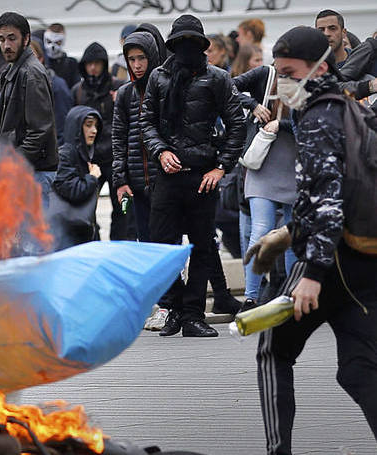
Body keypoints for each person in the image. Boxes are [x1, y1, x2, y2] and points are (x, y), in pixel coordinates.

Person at [252, 26, 377, 454]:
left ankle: (277, 452)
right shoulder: (346, 107)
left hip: (328, 262)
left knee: (272, 349)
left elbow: (325, 201)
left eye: (290, 73)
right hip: (365, 261)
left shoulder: (318, 117)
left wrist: (311, 273)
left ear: (319, 68)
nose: (282, 83)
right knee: (360, 370)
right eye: (278, 73)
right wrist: (285, 233)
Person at [141, 14, 245, 337]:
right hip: (168, 176)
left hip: (203, 176)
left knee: (202, 246)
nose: (186, 49)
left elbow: (237, 125)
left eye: (192, 43)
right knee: (163, 245)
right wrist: (161, 151)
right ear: (173, 45)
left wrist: (221, 167)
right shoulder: (158, 78)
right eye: (180, 43)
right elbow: (146, 122)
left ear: (201, 46)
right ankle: (172, 308)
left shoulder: (217, 78)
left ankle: (192, 314)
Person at [234, 65, 299, 311]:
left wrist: (280, 124)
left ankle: (291, 296)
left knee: (293, 234)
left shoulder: (310, 83)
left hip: (294, 167)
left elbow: (311, 123)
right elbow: (226, 87)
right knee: (259, 230)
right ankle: (251, 298)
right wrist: (251, 104)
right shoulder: (265, 74)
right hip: (262, 166)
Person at [71, 41, 132, 241]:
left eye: (97, 63)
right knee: (87, 210)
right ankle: (94, 244)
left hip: (116, 159)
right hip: (90, 160)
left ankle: (120, 246)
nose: (93, 68)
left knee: (123, 208)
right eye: (89, 64)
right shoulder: (78, 92)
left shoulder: (118, 88)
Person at [0, 12, 57, 208]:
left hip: (33, 173)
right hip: (26, 170)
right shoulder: (15, 70)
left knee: (32, 238)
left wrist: (14, 164)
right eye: (2, 39)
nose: (6, 45)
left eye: (12, 38)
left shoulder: (31, 73)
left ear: (26, 38)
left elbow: (39, 130)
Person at [113, 31, 161, 244]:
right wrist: (120, 180)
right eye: (131, 59)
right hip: (137, 183)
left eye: (142, 58)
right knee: (145, 241)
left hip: (164, 180)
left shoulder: (163, 87)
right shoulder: (125, 93)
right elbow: (119, 138)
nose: (137, 65)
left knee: (168, 242)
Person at [51, 106, 103, 250]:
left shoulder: (84, 155)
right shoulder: (65, 154)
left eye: (96, 126)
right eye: (88, 125)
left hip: (80, 231)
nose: (94, 130)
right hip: (66, 235)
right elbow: (71, 189)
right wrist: (92, 177)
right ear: (76, 127)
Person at [29, 40, 72, 146]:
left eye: (31, 57)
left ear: (41, 59)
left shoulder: (56, 86)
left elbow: (62, 127)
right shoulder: (14, 85)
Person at [42, 23, 80, 90]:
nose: (52, 46)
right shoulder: (39, 62)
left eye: (57, 42)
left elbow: (75, 88)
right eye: (49, 41)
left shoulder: (71, 64)